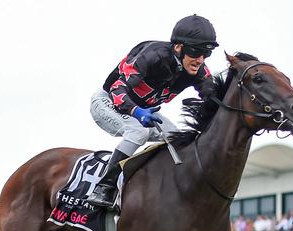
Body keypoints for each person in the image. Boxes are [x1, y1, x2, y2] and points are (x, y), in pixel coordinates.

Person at [88, 14, 218, 207]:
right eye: (196, 52)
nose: (200, 60)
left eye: (206, 54)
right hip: (108, 102)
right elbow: (117, 90)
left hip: (143, 110)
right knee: (138, 131)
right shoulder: (151, 55)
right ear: (178, 47)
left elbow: (212, 95)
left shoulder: (198, 70)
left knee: (178, 139)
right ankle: (104, 187)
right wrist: (137, 112)